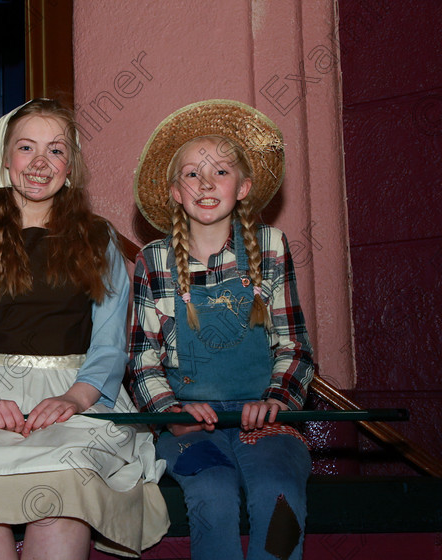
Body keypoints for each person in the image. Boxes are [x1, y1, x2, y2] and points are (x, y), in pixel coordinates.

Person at [0, 98, 169, 560]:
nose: (41, 163)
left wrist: (74, 398)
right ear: (5, 159)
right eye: (27, 148)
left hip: (77, 396)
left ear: (71, 165)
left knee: (64, 491)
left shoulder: (100, 237)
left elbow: (109, 345)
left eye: (56, 150)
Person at [128, 99, 315, 560]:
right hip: (190, 425)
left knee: (278, 492)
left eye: (221, 172)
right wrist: (171, 411)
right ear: (175, 190)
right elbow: (140, 356)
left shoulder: (270, 248)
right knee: (212, 493)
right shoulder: (152, 261)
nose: (206, 183)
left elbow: (294, 344)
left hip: (266, 422)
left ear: (244, 187)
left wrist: (277, 400)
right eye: (192, 173)